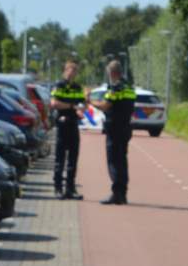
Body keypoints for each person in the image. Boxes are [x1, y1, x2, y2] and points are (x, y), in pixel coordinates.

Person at [89, 59, 138, 206]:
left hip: (115, 127)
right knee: (123, 160)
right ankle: (123, 193)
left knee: (114, 161)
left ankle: (116, 194)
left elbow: (105, 106)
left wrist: (90, 101)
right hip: (126, 127)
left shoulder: (116, 87)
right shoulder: (129, 86)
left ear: (110, 72)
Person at [49, 59, 88, 199]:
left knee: (73, 158)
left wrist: (84, 104)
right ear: (66, 70)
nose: (75, 73)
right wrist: (71, 106)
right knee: (60, 158)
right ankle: (58, 188)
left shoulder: (78, 87)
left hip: (73, 125)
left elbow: (82, 105)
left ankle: (70, 189)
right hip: (62, 125)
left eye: (77, 70)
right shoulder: (59, 86)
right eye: (73, 69)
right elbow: (54, 103)